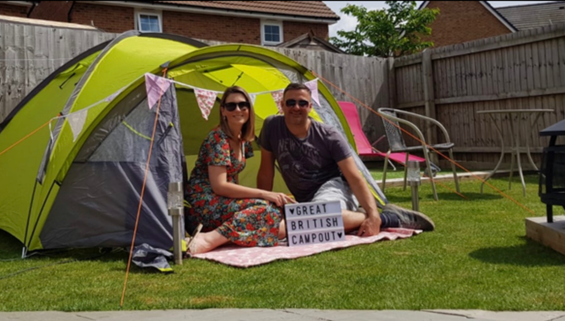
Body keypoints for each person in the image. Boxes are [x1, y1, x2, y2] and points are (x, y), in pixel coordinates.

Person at [257, 83, 435, 236]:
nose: (296, 107)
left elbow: (354, 177)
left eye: (302, 103)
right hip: (305, 199)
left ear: (310, 106)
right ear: (282, 105)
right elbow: (266, 171)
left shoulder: (328, 135)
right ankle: (351, 217)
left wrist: (374, 216)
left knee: (301, 224)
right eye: (291, 102)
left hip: (334, 186)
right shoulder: (271, 126)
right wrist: (264, 206)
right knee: (297, 223)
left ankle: (388, 218)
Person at [185, 86, 295, 255]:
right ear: (223, 111)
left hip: (222, 202)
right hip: (203, 206)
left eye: (243, 105)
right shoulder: (218, 138)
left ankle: (226, 235)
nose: (238, 109)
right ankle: (208, 239)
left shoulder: (243, 141)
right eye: (231, 106)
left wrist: (261, 198)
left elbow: (233, 181)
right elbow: (219, 186)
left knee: (273, 210)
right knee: (266, 209)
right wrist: (264, 194)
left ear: (249, 110)